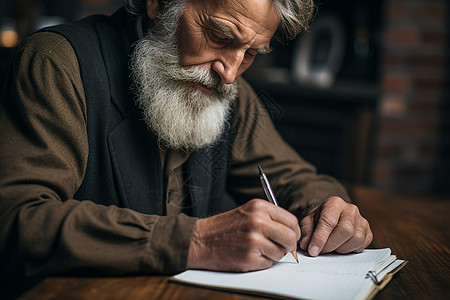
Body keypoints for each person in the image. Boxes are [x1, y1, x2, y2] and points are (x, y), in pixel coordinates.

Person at [0, 0, 372, 287]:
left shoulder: (228, 89)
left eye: (251, 53)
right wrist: (196, 241)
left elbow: (296, 178)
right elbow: (17, 219)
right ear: (159, 4)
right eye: (220, 36)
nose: (230, 72)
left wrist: (330, 210)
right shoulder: (57, 63)